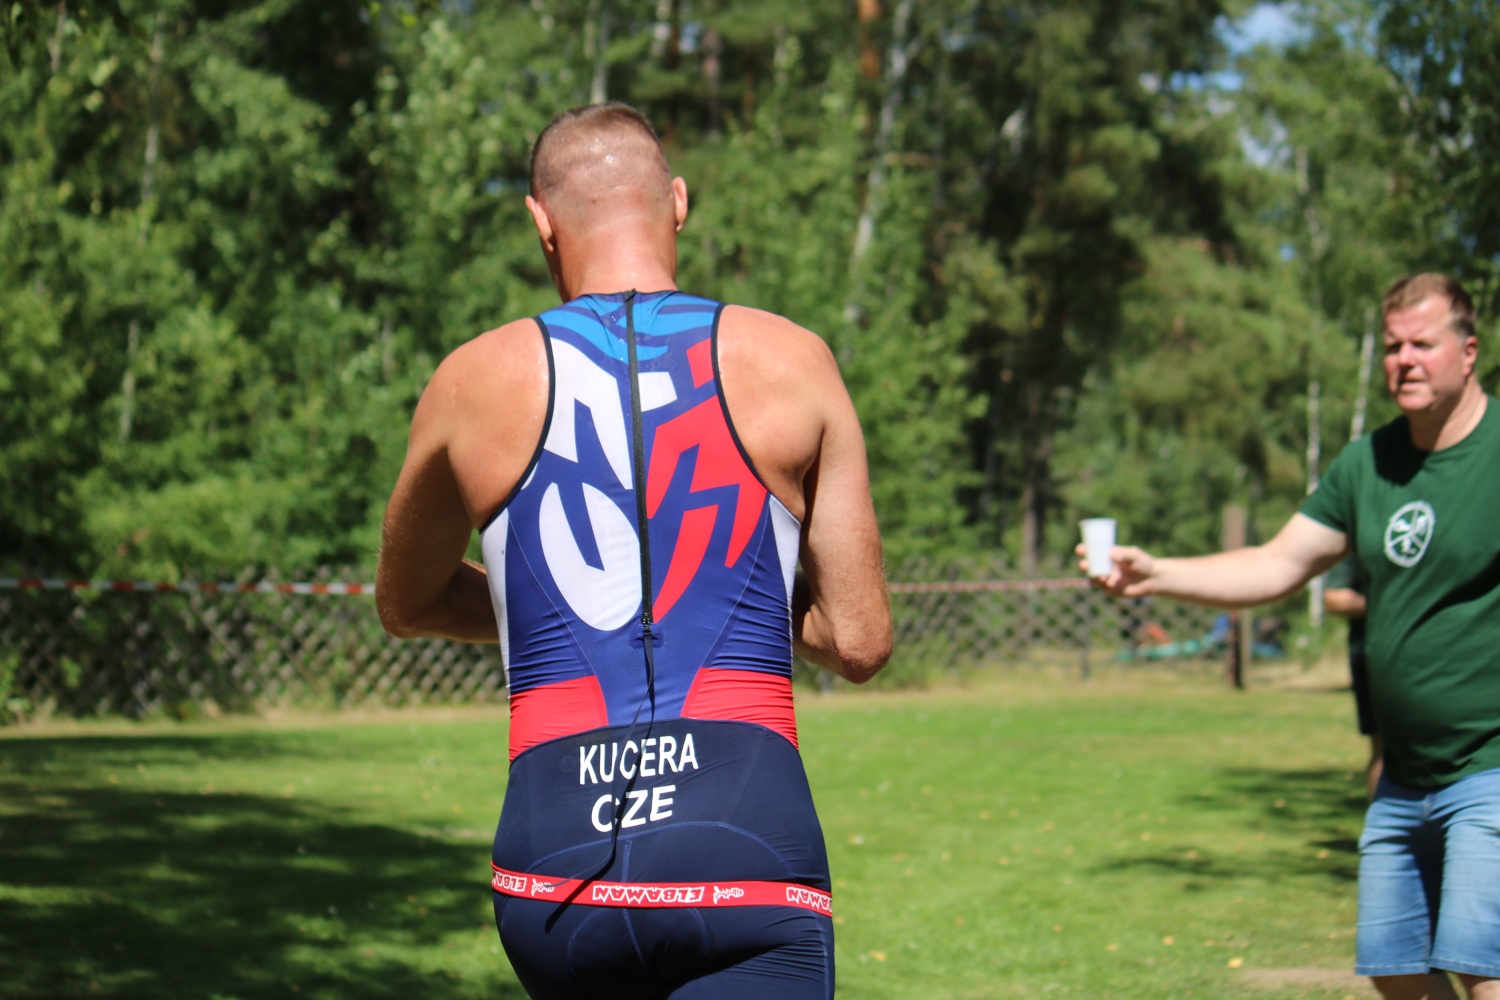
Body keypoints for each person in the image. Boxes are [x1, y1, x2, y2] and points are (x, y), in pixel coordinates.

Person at [375, 103, 892, 1000]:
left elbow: (407, 601)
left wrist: (548, 613)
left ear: (540, 222)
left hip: (556, 856)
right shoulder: (791, 359)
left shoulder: (474, 380)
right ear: (678, 202)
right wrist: (733, 599)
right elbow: (858, 639)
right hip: (743, 841)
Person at [1087, 273, 1499, 1000]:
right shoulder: (1367, 462)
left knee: (1483, 967)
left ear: (1468, 353)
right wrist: (1156, 574)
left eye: (1423, 344)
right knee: (1397, 972)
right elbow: (1277, 563)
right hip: (1404, 776)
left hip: (1490, 768)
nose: (1404, 360)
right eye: (1393, 347)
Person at [1324, 553, 1382, 798]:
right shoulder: (1360, 535)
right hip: (1377, 658)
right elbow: (1334, 598)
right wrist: (1395, 607)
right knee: (1385, 749)